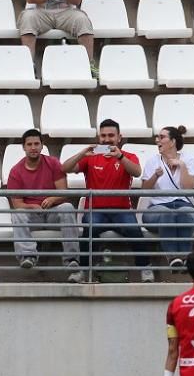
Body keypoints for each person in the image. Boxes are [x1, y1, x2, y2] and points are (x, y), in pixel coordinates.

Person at [61, 118, 152, 282]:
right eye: (103, 135)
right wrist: (82, 153)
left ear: (119, 137)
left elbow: (137, 172)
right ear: (99, 137)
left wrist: (121, 157)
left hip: (121, 211)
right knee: (90, 231)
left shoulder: (128, 156)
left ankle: (145, 268)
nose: (107, 139)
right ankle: (81, 271)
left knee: (135, 232)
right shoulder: (90, 157)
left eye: (111, 135)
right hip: (95, 210)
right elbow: (65, 168)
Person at [7, 129, 82, 282]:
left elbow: (63, 192)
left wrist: (53, 199)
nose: (33, 147)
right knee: (18, 213)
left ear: (42, 146)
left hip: (52, 212)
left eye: (36, 144)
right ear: (24, 147)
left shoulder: (53, 163)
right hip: (33, 216)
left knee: (67, 207)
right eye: (29, 144)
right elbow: (17, 203)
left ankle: (72, 259)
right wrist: (32, 207)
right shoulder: (16, 171)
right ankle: (27, 256)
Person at [142, 126, 194, 271]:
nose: (157, 140)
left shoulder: (188, 159)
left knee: (184, 212)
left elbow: (188, 188)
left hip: (183, 204)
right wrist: (155, 176)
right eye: (157, 137)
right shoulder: (152, 161)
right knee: (167, 214)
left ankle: (185, 258)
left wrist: (181, 165)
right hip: (158, 206)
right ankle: (174, 258)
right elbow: (145, 190)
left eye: (162, 137)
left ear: (173, 141)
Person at [19, 0, 96, 75]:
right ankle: (28, 65)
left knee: (82, 20)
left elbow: (76, 0)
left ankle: (89, 66)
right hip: (40, 11)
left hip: (67, 11)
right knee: (27, 18)